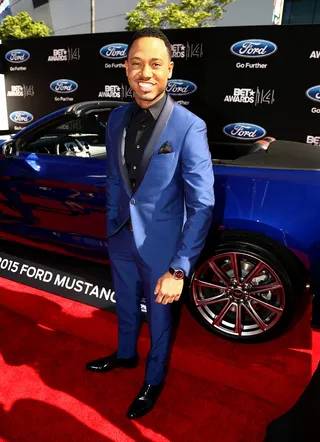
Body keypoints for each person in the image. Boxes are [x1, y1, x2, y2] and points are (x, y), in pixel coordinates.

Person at [86, 27, 215, 420]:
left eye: (155, 64)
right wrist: (112, 222)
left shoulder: (189, 126)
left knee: (159, 320)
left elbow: (202, 203)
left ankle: (153, 380)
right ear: (126, 68)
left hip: (162, 246)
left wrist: (180, 266)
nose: (146, 72)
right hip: (121, 236)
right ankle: (125, 355)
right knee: (124, 304)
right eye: (137, 63)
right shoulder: (116, 118)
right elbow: (113, 178)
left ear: (169, 70)